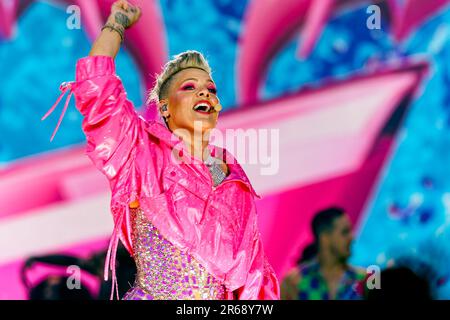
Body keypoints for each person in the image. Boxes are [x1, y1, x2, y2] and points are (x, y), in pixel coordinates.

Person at [44, 0, 279, 300]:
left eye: (210, 89)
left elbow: (253, 275)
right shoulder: (141, 151)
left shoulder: (234, 178)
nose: (204, 92)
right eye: (189, 87)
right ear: (164, 107)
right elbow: (98, 89)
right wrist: (116, 23)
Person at [281, 207, 365, 300]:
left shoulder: (363, 279)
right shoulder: (294, 281)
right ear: (324, 238)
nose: (352, 238)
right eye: (345, 232)